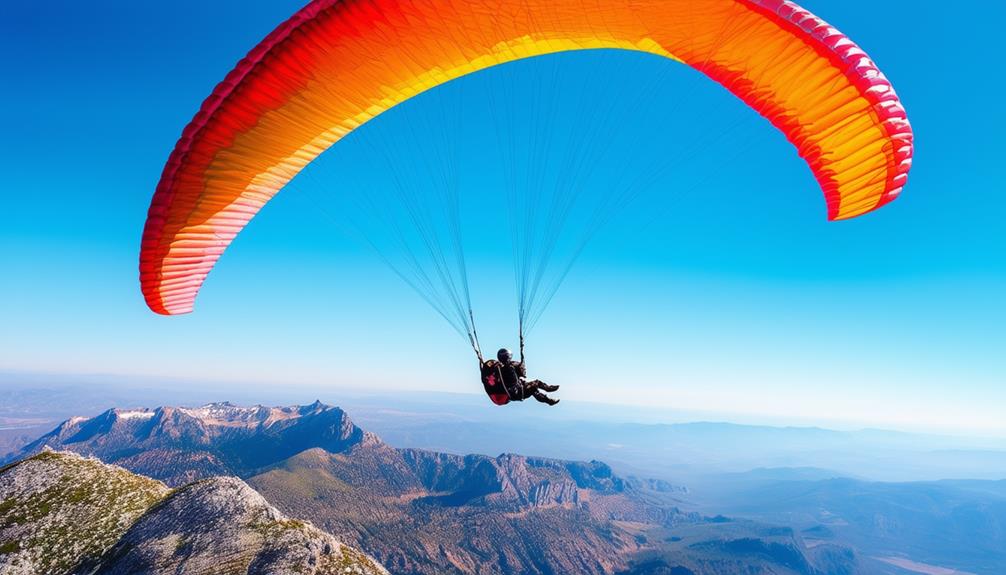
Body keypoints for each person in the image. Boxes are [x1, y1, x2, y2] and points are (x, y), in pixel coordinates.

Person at [480, 348, 559, 406]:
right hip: (511, 394)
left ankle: (549, 400)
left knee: (531, 388)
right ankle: (548, 390)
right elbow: (516, 379)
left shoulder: (492, 367)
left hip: (496, 397)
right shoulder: (509, 369)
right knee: (536, 384)